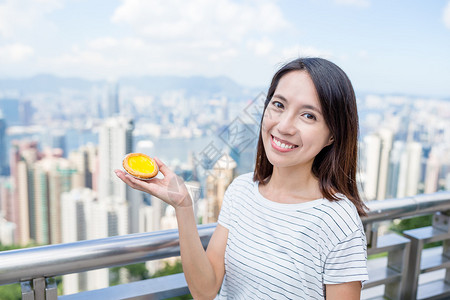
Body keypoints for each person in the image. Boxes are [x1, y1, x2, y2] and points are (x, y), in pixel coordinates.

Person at [115, 57, 369, 299]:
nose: (284, 126)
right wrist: (183, 206)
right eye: (279, 105)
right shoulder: (241, 191)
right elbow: (205, 291)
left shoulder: (339, 222)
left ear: (332, 135)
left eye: (308, 115)